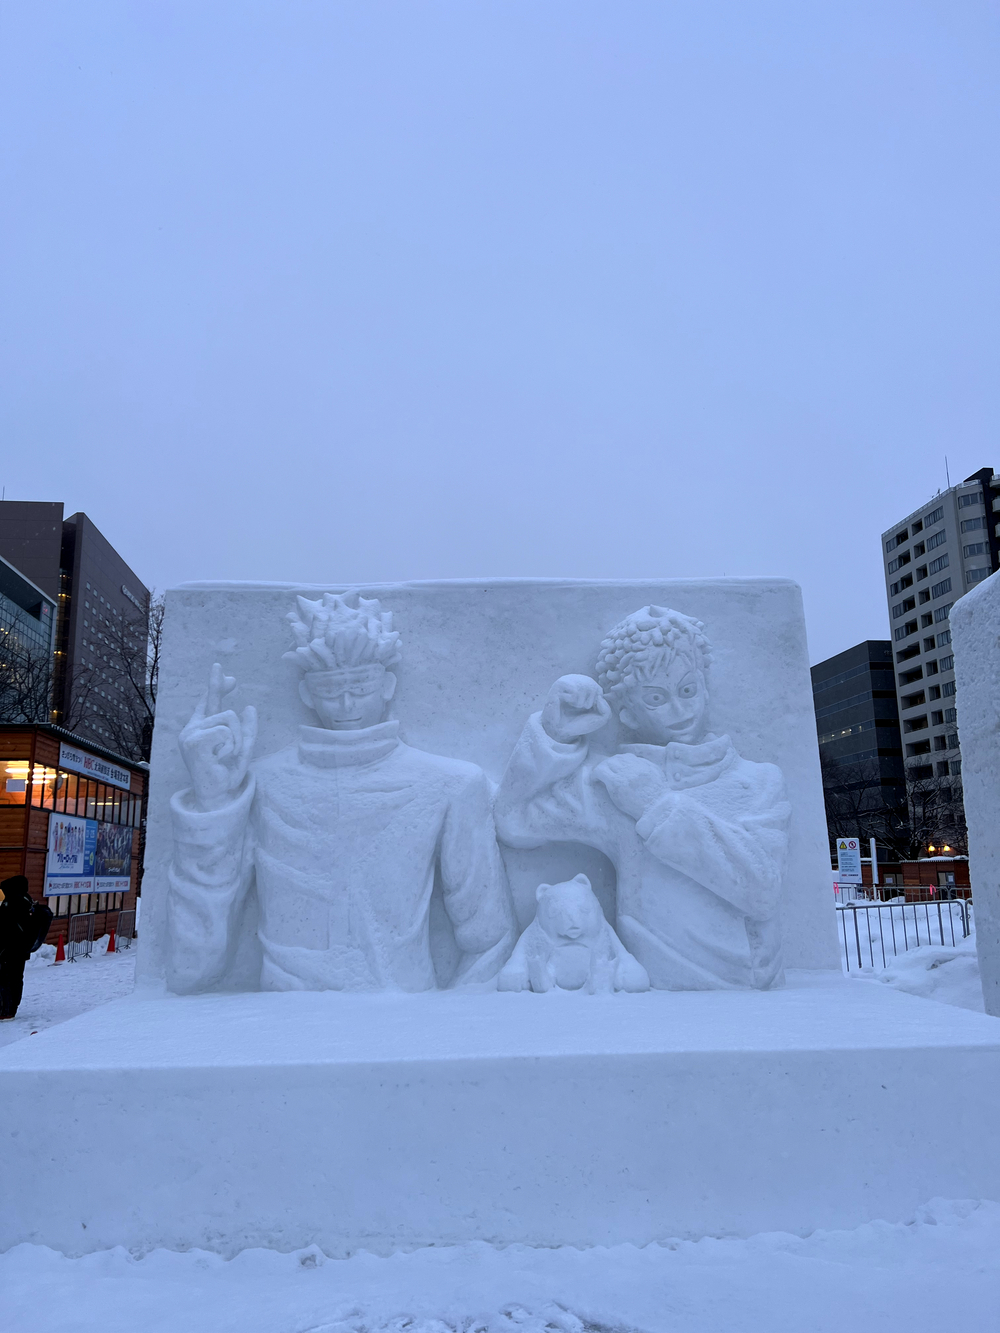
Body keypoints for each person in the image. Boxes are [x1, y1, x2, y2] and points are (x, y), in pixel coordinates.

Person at [168, 593, 517, 994]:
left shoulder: (451, 783)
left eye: (362, 686)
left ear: (387, 685)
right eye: (330, 689)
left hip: (404, 1019)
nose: (347, 703)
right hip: (284, 1022)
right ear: (306, 693)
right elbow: (190, 969)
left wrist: (450, 1027)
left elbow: (490, 943)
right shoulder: (261, 785)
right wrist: (211, 806)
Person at [495, 605, 791, 991]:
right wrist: (555, 736)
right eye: (656, 698)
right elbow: (512, 821)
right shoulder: (613, 781)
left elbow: (761, 889)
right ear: (628, 714)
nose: (680, 709)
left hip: (747, 992)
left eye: (688, 690)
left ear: (705, 687)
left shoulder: (758, 781)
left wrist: (656, 804)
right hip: (653, 991)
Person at [0, 876, 52, 1020]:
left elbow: (7, 926)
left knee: (6, 980)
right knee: (16, 979)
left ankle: (5, 1010)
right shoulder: (25, 899)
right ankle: (11, 1008)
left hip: (9, 949)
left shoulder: (12, 902)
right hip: (20, 949)